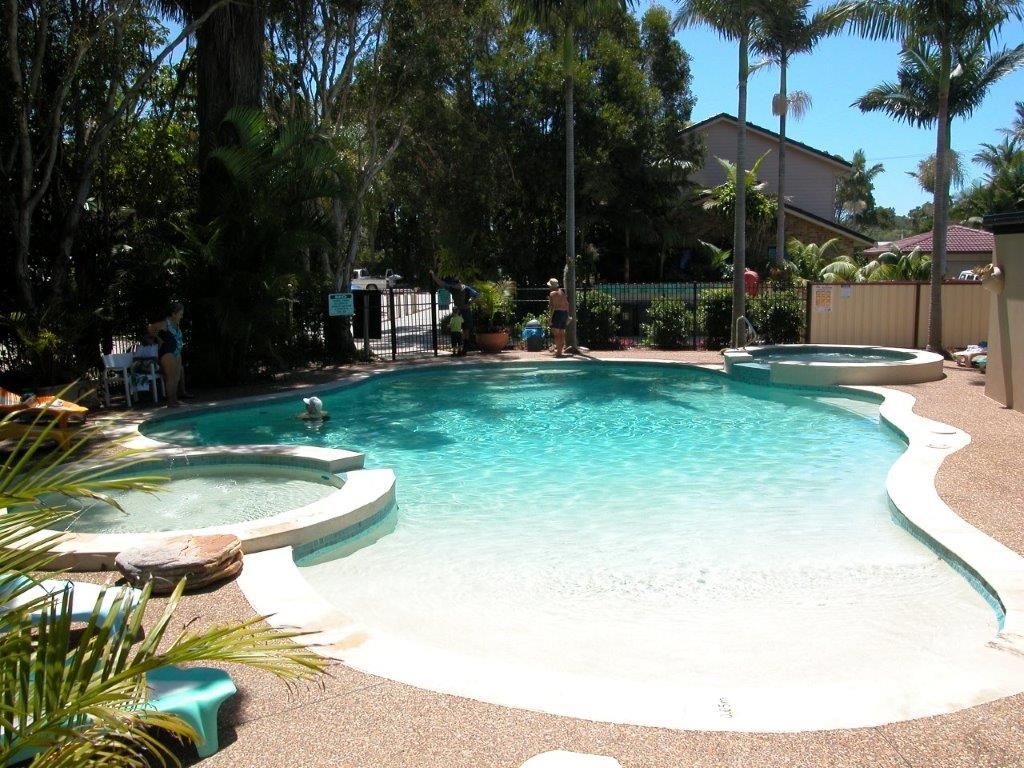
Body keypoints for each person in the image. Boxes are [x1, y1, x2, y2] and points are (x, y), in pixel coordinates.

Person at [147, 302, 185, 408]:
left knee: (176, 377)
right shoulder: (165, 323)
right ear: (173, 314)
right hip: (167, 352)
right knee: (170, 377)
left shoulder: (176, 323)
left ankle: (174, 400)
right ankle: (170, 402)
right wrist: (158, 339)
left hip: (176, 352)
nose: (181, 316)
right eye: (180, 313)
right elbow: (150, 327)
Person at [429, 269, 477, 347]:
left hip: (466, 311)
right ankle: (459, 347)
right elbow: (441, 283)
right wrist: (433, 275)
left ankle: (465, 347)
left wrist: (470, 303)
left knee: (466, 329)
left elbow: (477, 295)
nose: (454, 286)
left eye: (455, 284)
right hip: (457, 312)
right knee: (457, 330)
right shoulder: (452, 288)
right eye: (453, 284)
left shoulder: (467, 289)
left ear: (460, 283)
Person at [547, 278, 570, 357]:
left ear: (552, 286)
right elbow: (567, 304)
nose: (549, 287)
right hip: (564, 313)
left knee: (556, 334)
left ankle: (558, 353)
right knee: (562, 333)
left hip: (557, 313)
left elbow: (552, 307)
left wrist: (550, 318)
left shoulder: (552, 293)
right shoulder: (562, 292)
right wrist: (567, 316)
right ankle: (560, 352)